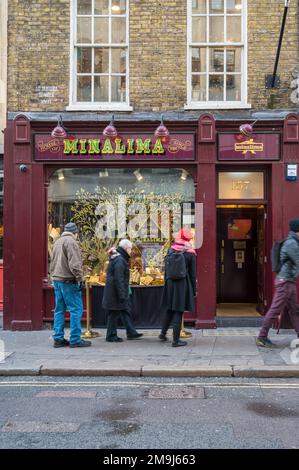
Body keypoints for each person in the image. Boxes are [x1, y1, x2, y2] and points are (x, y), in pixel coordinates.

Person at [256, 219, 299, 348]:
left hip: (289, 281)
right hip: (285, 282)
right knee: (275, 310)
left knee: (294, 310)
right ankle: (262, 337)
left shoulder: (294, 242)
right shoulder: (291, 244)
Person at [51, 222, 91, 348]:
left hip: (57, 280)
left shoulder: (57, 241)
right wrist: (80, 278)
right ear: (76, 233)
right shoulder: (72, 242)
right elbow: (74, 264)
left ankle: (58, 338)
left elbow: (52, 261)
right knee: (76, 310)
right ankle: (75, 339)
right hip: (68, 281)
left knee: (59, 310)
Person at [159, 228, 196, 347]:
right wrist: (193, 290)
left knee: (170, 308)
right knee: (178, 310)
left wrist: (167, 281)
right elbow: (192, 274)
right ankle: (175, 340)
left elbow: (166, 268)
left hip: (170, 283)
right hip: (182, 284)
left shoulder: (171, 249)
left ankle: (163, 334)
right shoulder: (190, 252)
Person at [102, 239, 143, 342]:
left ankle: (131, 332)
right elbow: (119, 279)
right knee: (114, 313)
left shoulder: (119, 257)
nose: (131, 251)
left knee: (125, 310)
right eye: (130, 248)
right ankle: (111, 335)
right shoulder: (120, 260)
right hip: (115, 292)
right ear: (126, 248)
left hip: (115, 290)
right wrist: (122, 295)